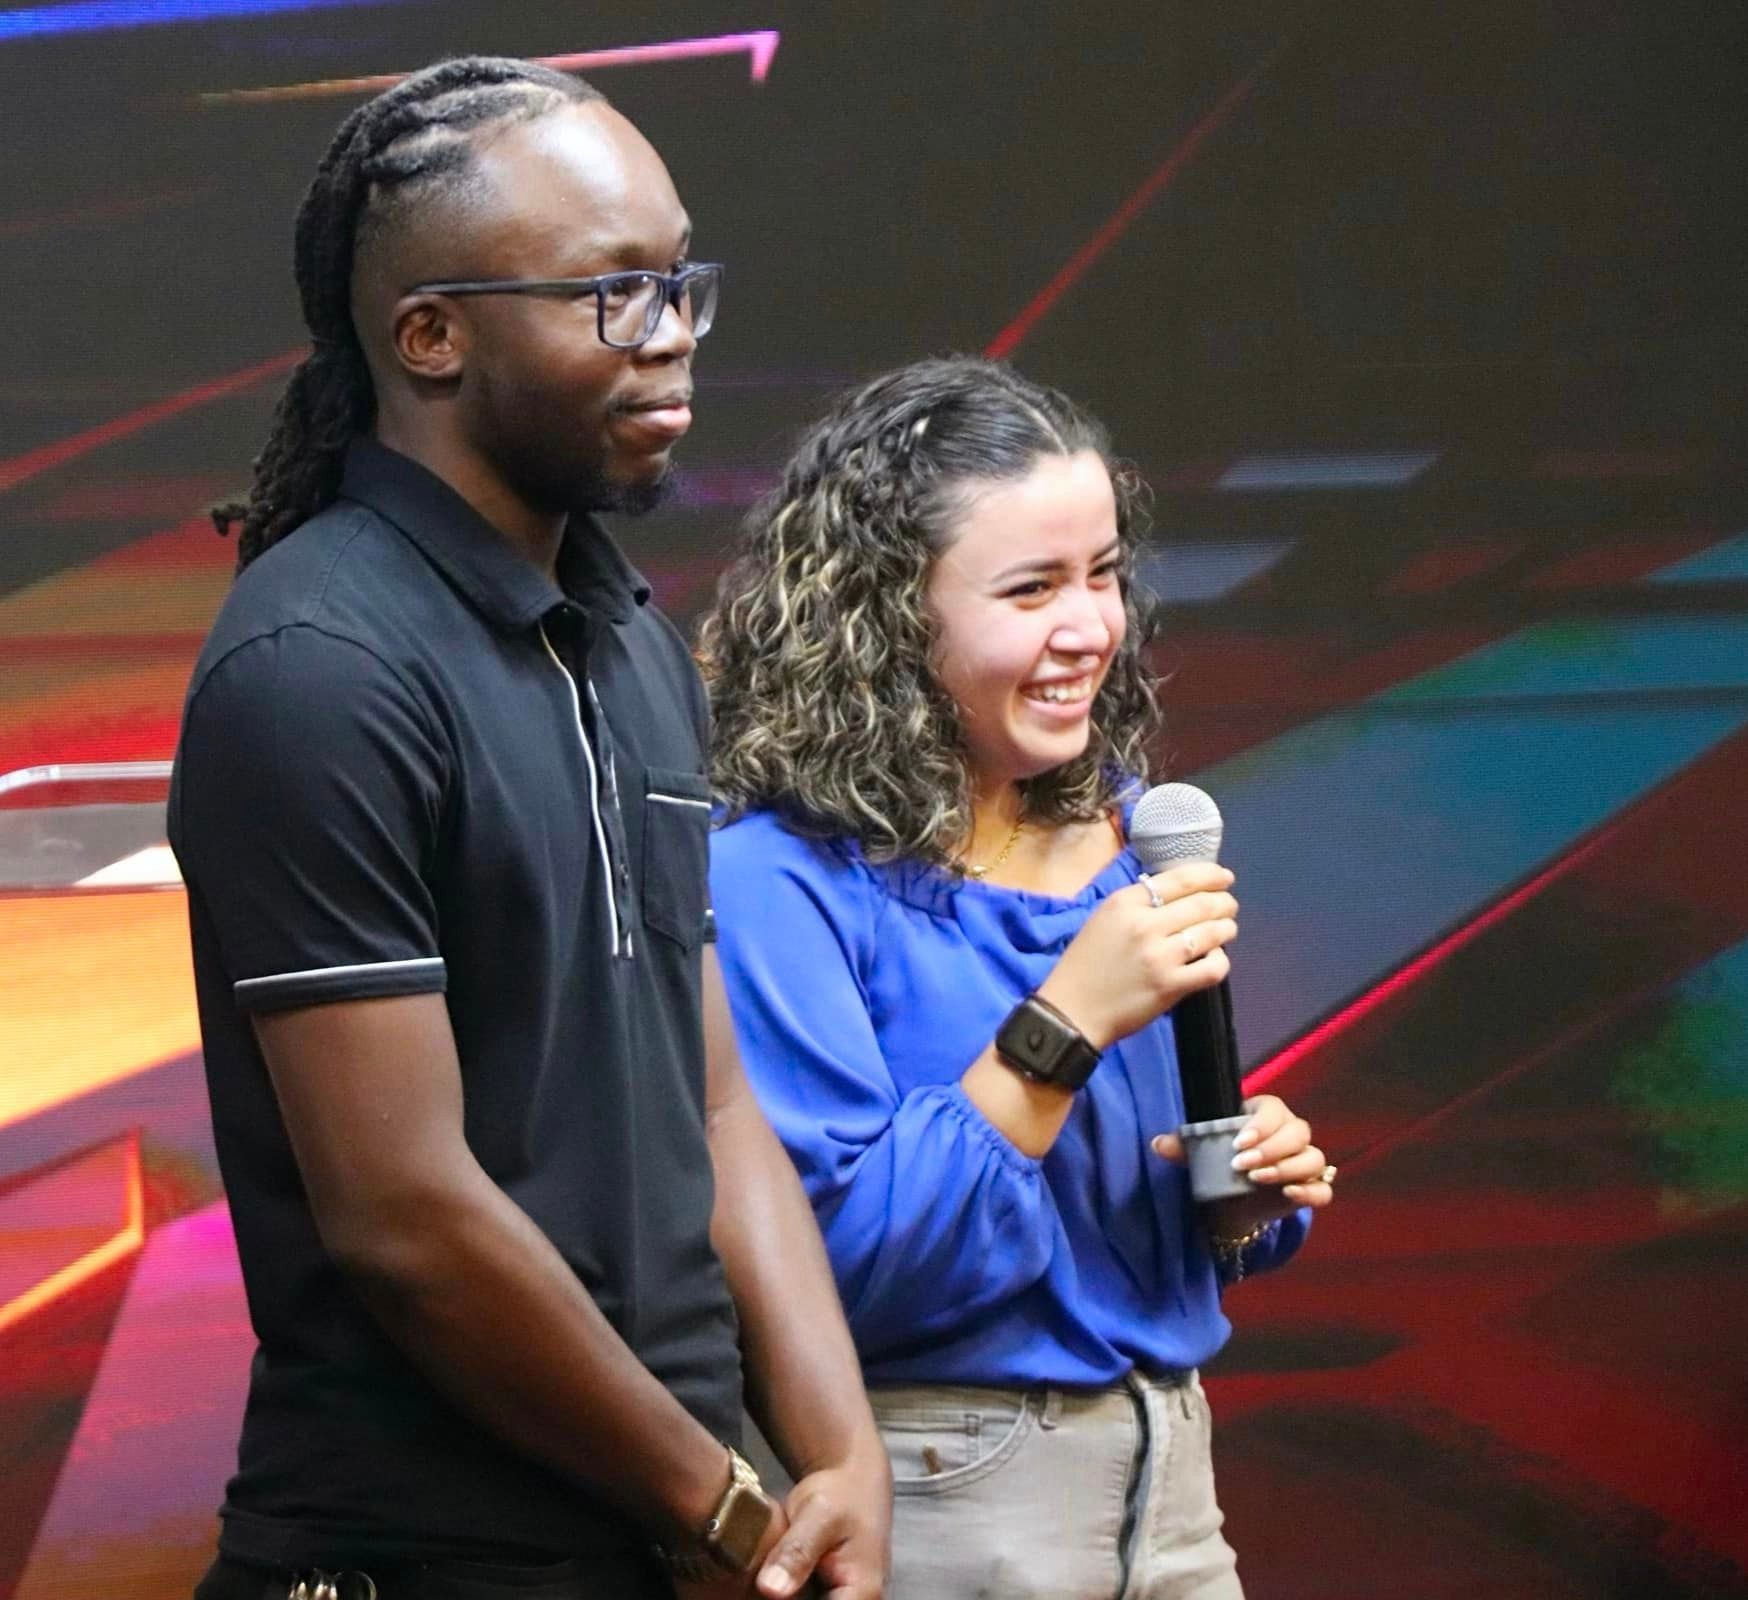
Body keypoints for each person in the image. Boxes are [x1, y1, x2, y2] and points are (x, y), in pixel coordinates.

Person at [168, 56, 889, 1600]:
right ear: (429, 336)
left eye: (681, 279)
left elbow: (714, 1109)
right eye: (610, 294)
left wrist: (843, 1459)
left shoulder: (625, 637)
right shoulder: (317, 665)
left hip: (673, 1529)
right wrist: (722, 1514)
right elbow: (407, 1219)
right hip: (426, 1556)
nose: (674, 331)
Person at [699, 356, 1336, 1598]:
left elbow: (1142, 1214)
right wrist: (1059, 1023)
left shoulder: (1139, 836)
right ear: (886, 617)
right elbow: (832, 1287)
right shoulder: (776, 882)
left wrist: (1247, 1189)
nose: (1090, 626)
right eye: (1032, 587)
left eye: (1101, 574)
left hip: (1174, 1495)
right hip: (941, 1504)